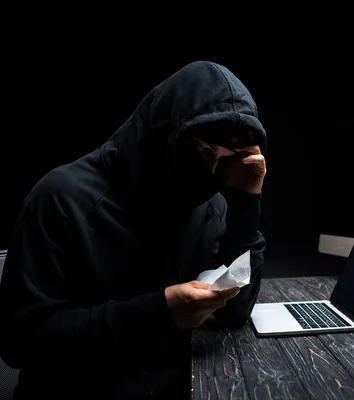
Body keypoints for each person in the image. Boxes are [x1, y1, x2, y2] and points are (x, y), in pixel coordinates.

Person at [0, 61, 267, 399]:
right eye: (207, 151)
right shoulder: (60, 199)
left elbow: (236, 311)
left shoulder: (208, 205)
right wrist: (160, 311)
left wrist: (247, 200)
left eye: (233, 158)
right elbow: (18, 343)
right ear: (164, 133)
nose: (215, 171)